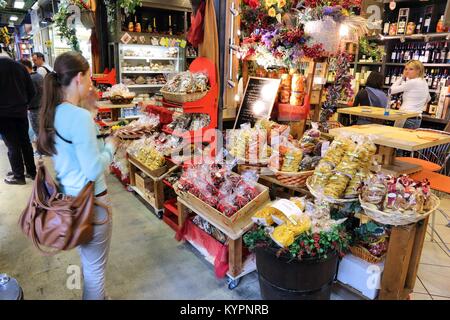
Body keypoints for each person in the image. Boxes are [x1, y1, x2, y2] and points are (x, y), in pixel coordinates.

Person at [37, 52, 118, 300]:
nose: (92, 84)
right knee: (95, 270)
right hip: (93, 203)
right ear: (79, 78)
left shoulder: (53, 112)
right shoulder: (79, 117)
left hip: (70, 202)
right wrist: (111, 147)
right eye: (90, 78)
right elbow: (93, 169)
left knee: (89, 262)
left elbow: (72, 153)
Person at [0, 45, 37, 185]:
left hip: (3, 115)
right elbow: (32, 91)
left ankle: (18, 176)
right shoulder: (20, 67)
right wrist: (23, 104)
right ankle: (31, 172)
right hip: (21, 112)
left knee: (12, 145)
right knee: (25, 142)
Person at [390, 60, 431, 129]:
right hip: (416, 118)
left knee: (399, 139)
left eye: (411, 69)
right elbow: (428, 98)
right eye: (406, 69)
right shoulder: (424, 82)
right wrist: (417, 106)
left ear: (418, 70)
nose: (407, 71)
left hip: (407, 117)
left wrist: (402, 77)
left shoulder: (413, 82)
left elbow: (391, 90)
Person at [19, 59, 43, 138]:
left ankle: (42, 148)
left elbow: (29, 95)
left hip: (35, 109)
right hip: (42, 107)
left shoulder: (30, 79)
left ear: (24, 67)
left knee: (38, 132)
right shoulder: (38, 75)